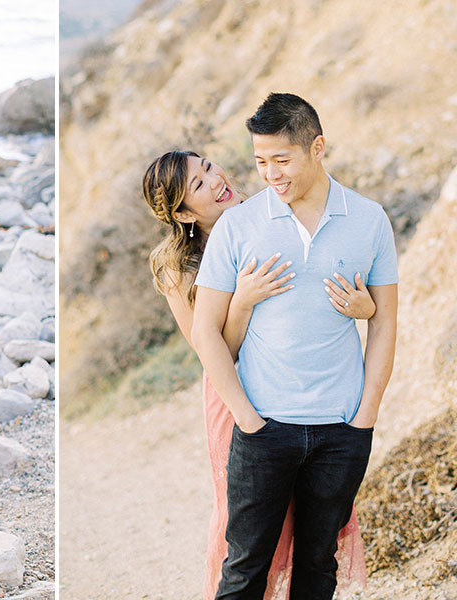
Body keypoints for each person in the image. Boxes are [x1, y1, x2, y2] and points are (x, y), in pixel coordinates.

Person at [191, 93, 398, 599]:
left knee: (317, 567)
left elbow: (386, 321)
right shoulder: (239, 226)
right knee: (243, 571)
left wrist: (366, 414)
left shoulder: (369, 220)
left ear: (318, 147)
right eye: (261, 162)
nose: (270, 174)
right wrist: (246, 418)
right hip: (264, 426)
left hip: (341, 428)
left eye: (281, 160)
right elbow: (205, 332)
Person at [142, 150, 375, 599]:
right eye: (197, 184)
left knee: (306, 520)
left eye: (208, 167)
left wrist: (365, 308)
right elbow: (213, 351)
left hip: (299, 385)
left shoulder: (269, 214)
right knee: (248, 525)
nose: (214, 180)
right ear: (183, 212)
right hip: (234, 395)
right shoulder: (177, 267)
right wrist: (242, 301)